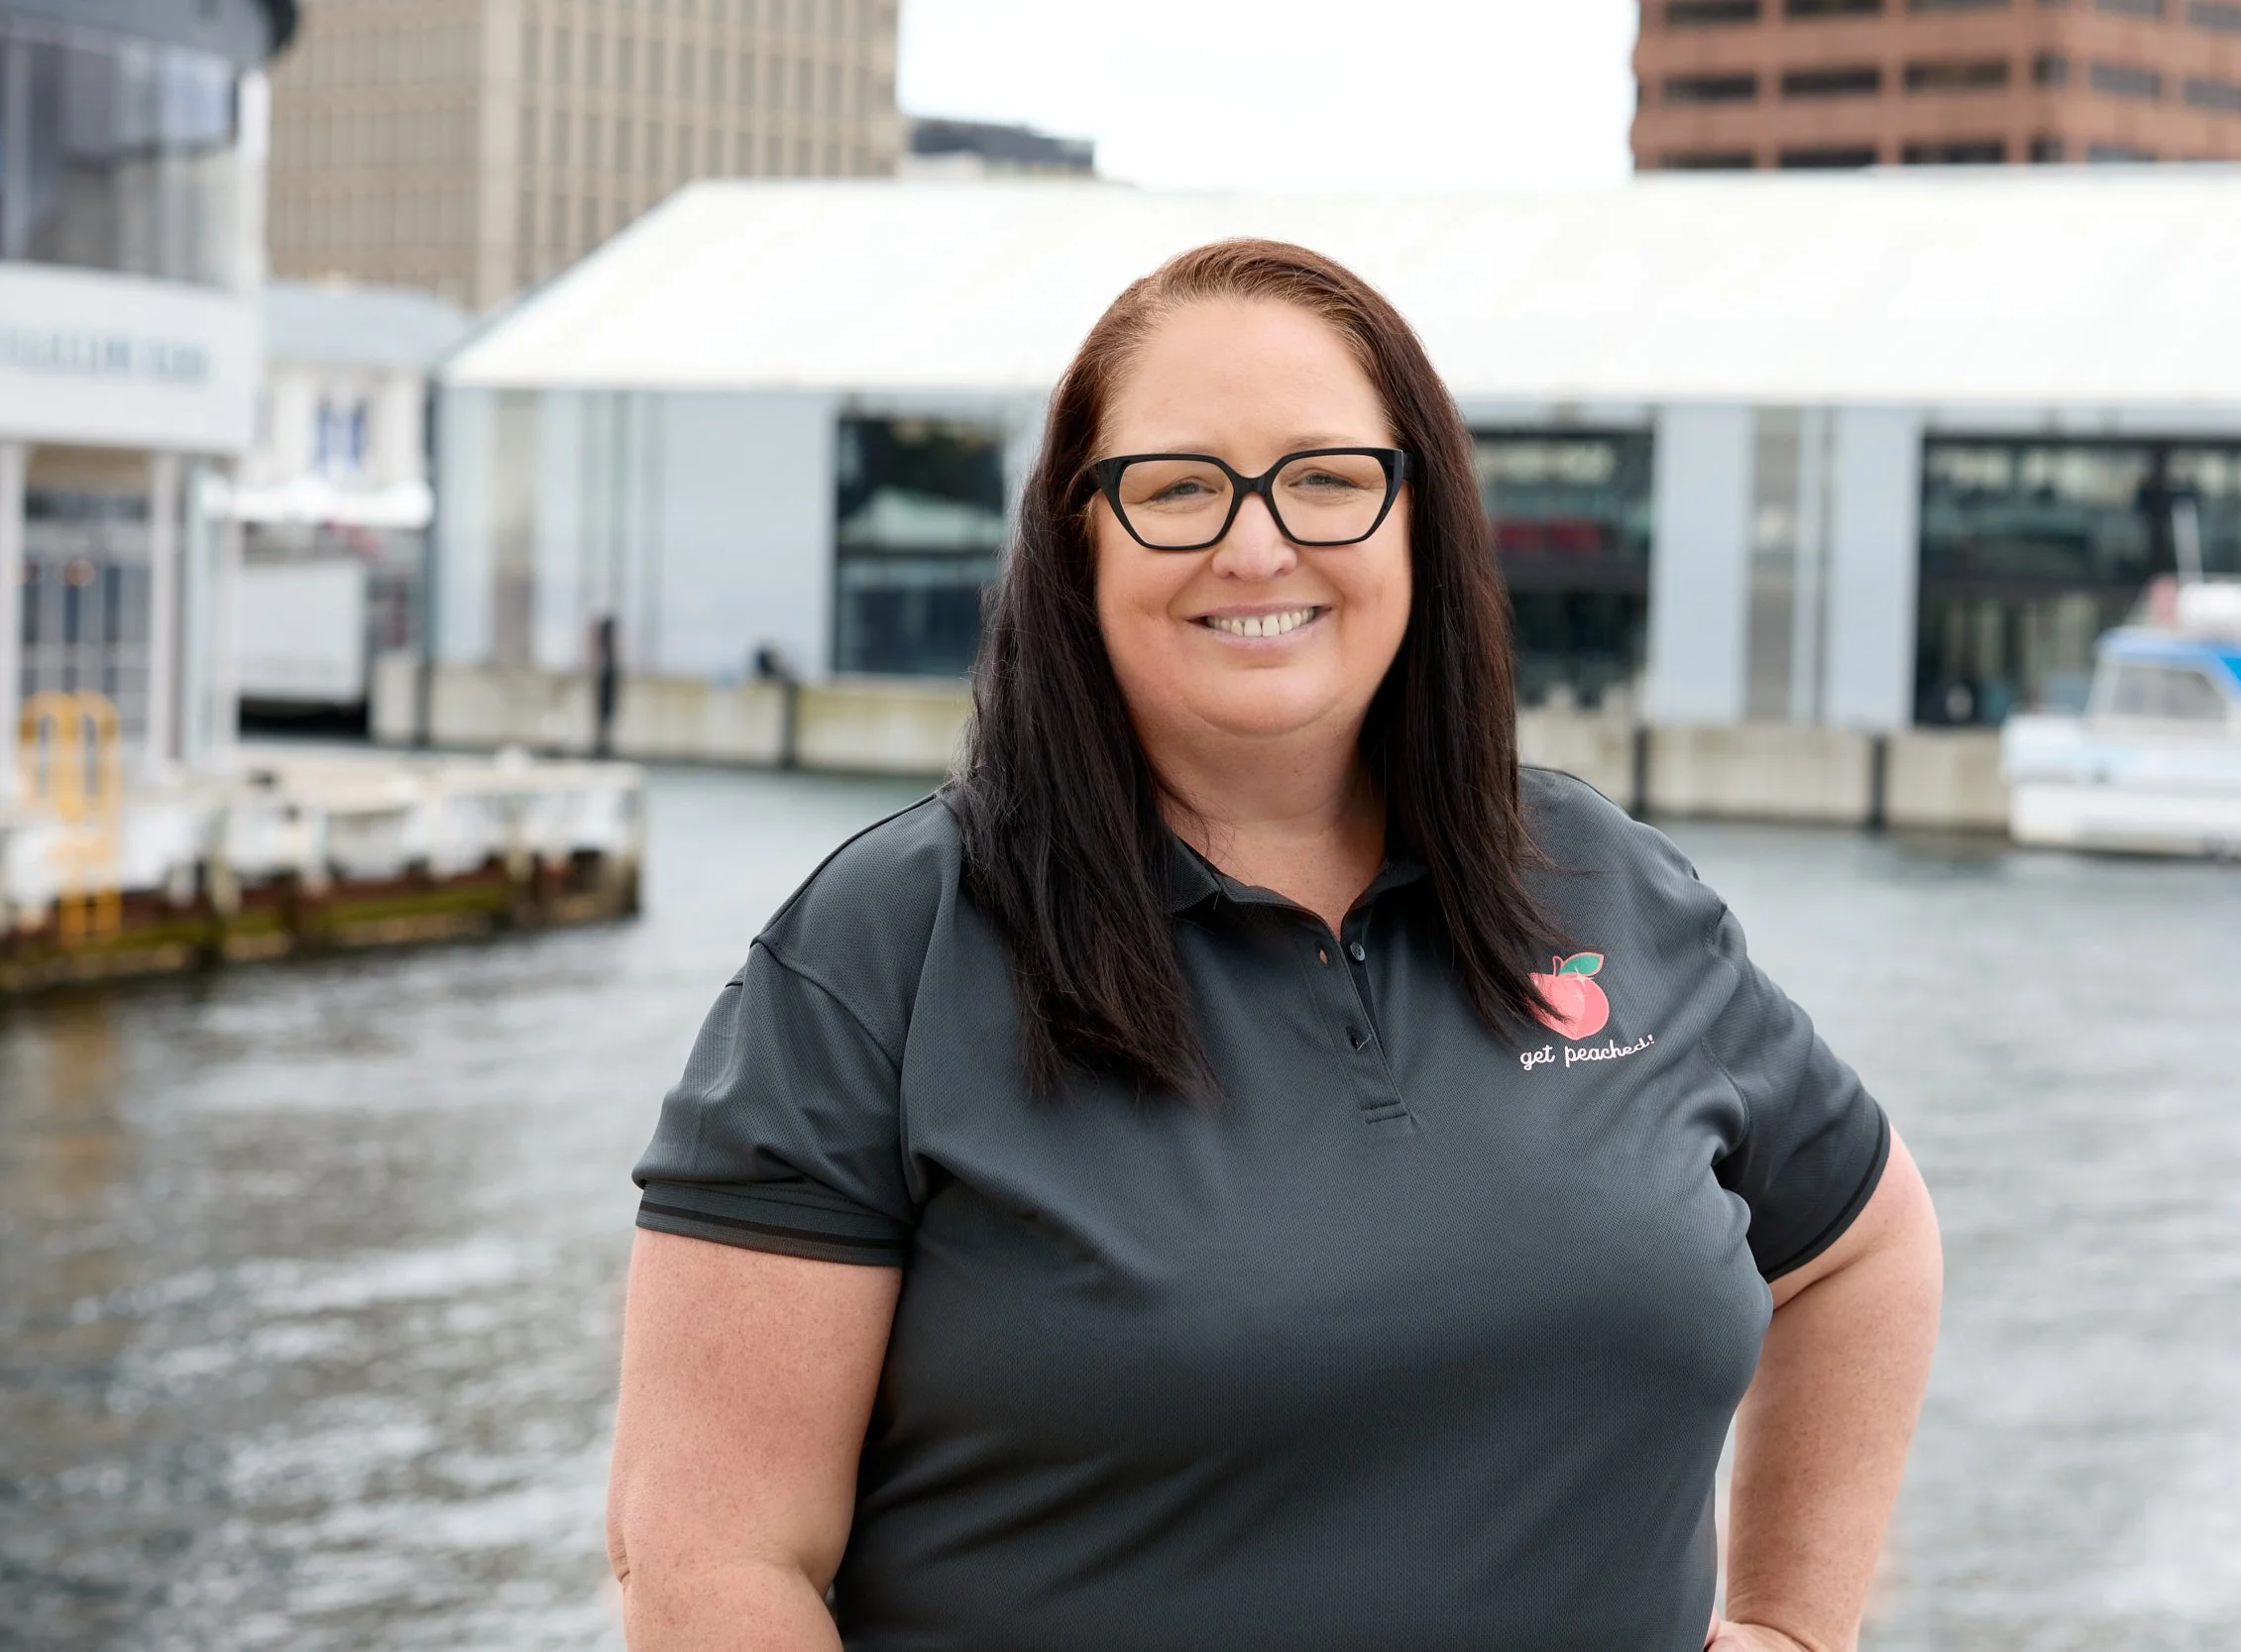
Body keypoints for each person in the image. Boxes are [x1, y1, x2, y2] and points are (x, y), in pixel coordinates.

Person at [607, 239, 1941, 1652]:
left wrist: (1793, 1624)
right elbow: (709, 1555)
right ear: (1080, 535)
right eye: (1179, 486)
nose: (1258, 544)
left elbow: (1866, 1249)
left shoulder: (1602, 886)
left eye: (1326, 477)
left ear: (1416, 515)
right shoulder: (884, 949)